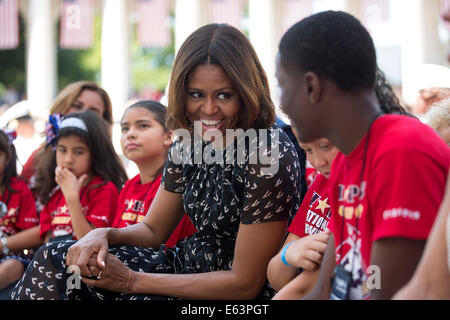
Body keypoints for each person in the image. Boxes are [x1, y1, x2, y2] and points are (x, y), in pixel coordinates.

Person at [11, 23, 302, 300]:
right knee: (57, 257)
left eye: (224, 95)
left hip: (229, 291)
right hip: (182, 267)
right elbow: (152, 230)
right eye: (196, 95)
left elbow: (244, 284)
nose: (210, 109)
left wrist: (132, 281)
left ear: (247, 91)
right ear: (180, 93)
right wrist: (103, 235)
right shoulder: (189, 141)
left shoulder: (268, 153)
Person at [276, 11, 450, 300]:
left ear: (311, 87)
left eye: (282, 85)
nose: (280, 101)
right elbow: (323, 289)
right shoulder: (347, 160)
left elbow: (384, 290)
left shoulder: (401, 151)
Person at [268, 68, 411, 300]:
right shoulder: (324, 182)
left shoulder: (374, 182)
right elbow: (275, 276)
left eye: (326, 146)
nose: (317, 162)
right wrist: (289, 254)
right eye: (307, 151)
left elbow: (306, 286)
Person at [113, 100, 197, 247]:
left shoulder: (172, 187)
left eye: (143, 126)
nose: (130, 134)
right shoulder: (129, 185)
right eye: (125, 128)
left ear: (168, 136)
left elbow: (163, 249)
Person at [34, 111, 127, 242]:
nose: (68, 159)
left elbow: (90, 243)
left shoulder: (104, 190)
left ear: (95, 154)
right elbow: (47, 242)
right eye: (62, 150)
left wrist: (72, 199)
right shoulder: (54, 190)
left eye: (78, 152)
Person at [20, 81, 113, 194]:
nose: (83, 113)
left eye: (93, 111)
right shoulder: (37, 158)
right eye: (77, 106)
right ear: (62, 107)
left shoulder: (109, 174)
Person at [0, 129, 39, 292]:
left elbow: (34, 234)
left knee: (13, 266)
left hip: (10, 256)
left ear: (8, 157)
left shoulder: (20, 190)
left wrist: (3, 245)